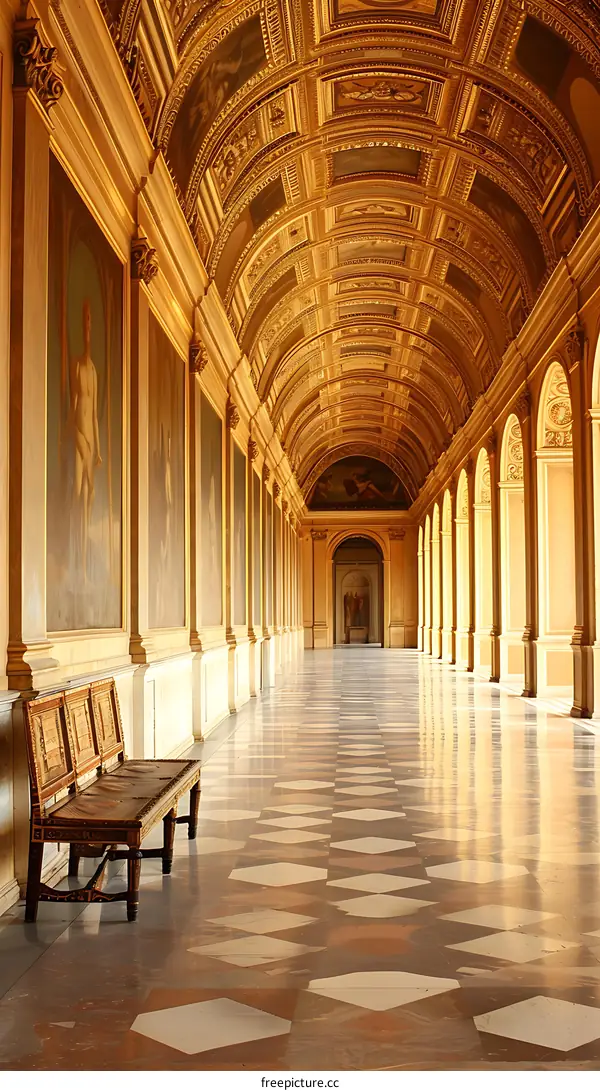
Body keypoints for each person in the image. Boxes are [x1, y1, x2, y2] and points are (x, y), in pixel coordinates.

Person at [70, 299, 102, 581]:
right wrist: (72, 433)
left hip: (91, 436)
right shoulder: (78, 366)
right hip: (79, 433)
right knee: (79, 491)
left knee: (89, 493)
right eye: (85, 319)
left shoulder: (94, 371)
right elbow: (75, 406)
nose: (88, 325)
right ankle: (76, 556)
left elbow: (94, 415)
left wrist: (99, 450)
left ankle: (82, 556)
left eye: (90, 319)